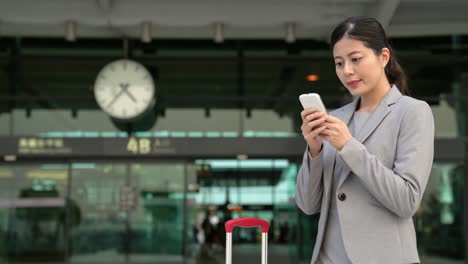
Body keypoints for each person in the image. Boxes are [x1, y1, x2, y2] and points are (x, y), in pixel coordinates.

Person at [295, 16, 434, 264]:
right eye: (339, 63)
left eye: (355, 59)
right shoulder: (335, 119)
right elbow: (307, 205)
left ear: (383, 57)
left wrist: (349, 147)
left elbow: (407, 201)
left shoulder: (412, 112)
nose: (347, 70)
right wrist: (314, 150)